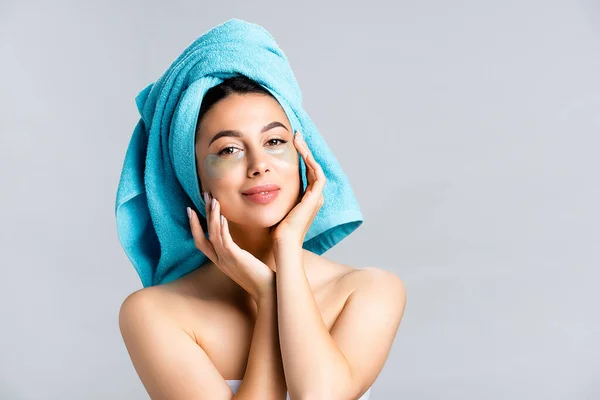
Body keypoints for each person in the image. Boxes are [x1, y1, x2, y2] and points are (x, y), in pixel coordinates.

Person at [118, 75, 407, 399]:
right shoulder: (154, 313)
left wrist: (286, 246)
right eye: (229, 149)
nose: (259, 165)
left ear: (301, 155)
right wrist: (268, 298)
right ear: (192, 175)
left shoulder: (367, 290)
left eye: (274, 142)